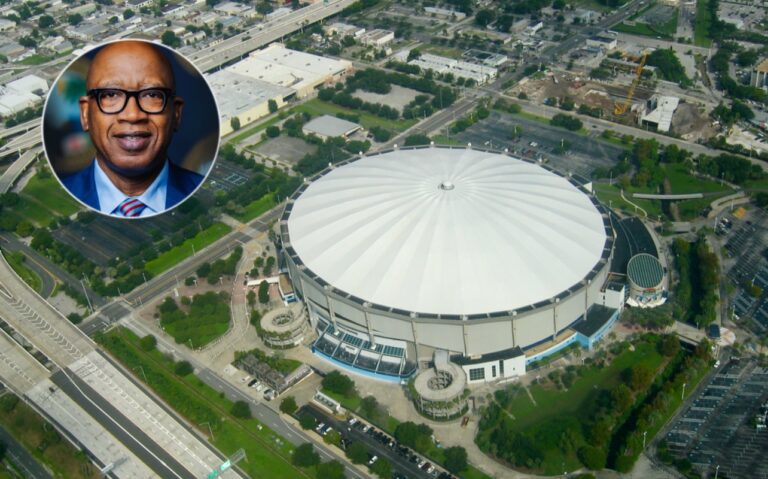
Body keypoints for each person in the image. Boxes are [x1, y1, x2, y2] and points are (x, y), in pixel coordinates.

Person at [62, 40, 203, 218]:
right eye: (111, 95)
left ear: (176, 114)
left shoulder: (199, 191)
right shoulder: (63, 200)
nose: (132, 115)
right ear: (85, 114)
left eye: (152, 95)